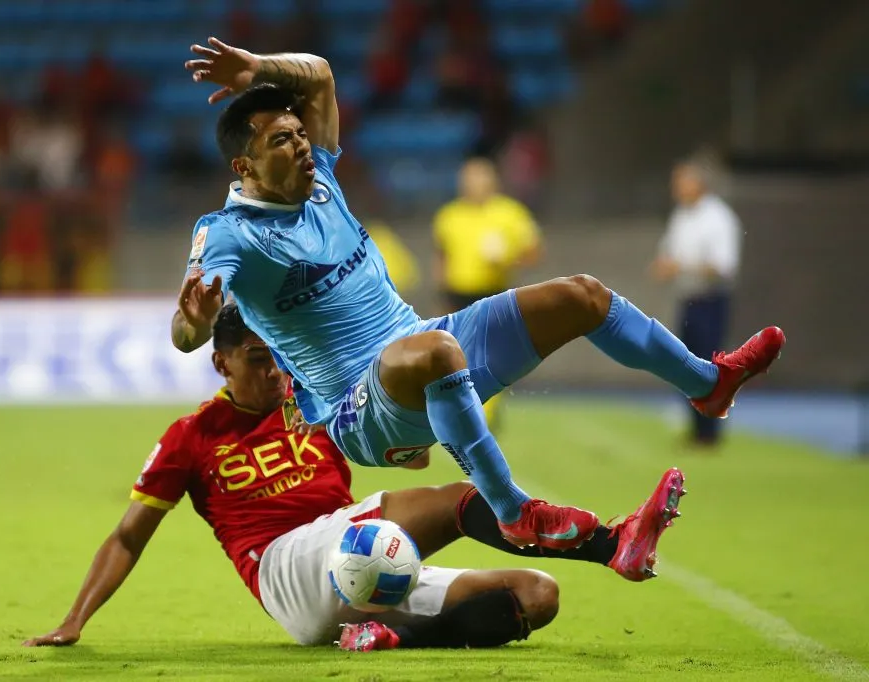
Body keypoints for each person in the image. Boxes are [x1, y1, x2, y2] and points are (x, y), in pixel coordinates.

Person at [172, 37, 782, 553]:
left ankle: (708, 384)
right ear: (242, 168)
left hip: (422, 348)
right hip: (357, 413)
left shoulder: (321, 178)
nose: (303, 145)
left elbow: (323, 75)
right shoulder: (228, 233)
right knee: (435, 350)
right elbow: (185, 331)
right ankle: (516, 510)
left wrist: (258, 69)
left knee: (583, 296)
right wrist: (195, 323)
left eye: (300, 134)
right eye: (281, 141)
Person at [24, 304, 687, 651]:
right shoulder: (191, 437)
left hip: (364, 558)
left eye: (280, 358)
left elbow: (393, 445)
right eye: (258, 360)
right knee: (461, 500)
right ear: (221, 360)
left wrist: (410, 443)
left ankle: (384, 633)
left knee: (536, 596)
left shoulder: (310, 397)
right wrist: (74, 620)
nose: (276, 373)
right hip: (286, 565)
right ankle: (612, 546)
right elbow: (129, 536)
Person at [433, 156, 543, 428]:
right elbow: (442, 256)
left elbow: (533, 251)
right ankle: (467, 405)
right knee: (460, 355)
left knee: (489, 354)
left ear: (493, 181)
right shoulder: (449, 215)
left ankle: (487, 409)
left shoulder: (510, 213)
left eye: (480, 178)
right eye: (468, 179)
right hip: (458, 293)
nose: (473, 184)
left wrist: (508, 258)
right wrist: (441, 293)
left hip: (494, 291)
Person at [651, 162, 743, 448]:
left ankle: (710, 432)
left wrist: (680, 267)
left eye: (681, 182)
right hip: (688, 300)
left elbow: (723, 267)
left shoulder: (719, 218)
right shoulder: (681, 215)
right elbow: (669, 253)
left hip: (710, 300)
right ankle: (696, 428)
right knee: (685, 364)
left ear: (698, 184)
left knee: (709, 367)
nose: (675, 189)